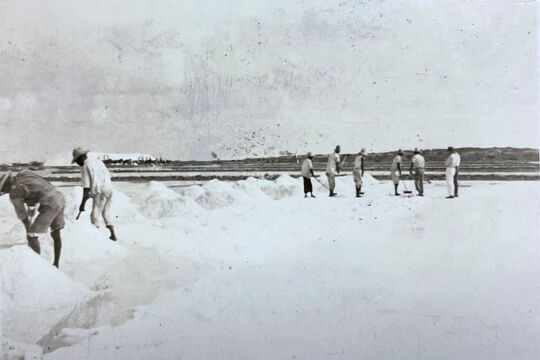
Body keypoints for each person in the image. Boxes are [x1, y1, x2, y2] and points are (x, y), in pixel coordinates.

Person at [0, 170, 65, 267]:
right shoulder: (25, 174)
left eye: (4, 189)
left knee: (32, 235)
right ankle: (56, 264)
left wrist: (28, 229)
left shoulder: (14, 192)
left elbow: (23, 215)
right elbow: (38, 187)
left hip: (50, 203)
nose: (5, 192)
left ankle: (36, 267)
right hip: (59, 196)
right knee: (56, 232)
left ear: (6, 184)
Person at [72, 148, 117, 241]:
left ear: (81, 158)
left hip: (99, 191)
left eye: (77, 161)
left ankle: (97, 239)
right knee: (106, 213)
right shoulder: (98, 161)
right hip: (110, 188)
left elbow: (86, 188)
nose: (77, 163)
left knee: (95, 214)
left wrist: (82, 204)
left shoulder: (85, 166)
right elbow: (107, 175)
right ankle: (113, 235)